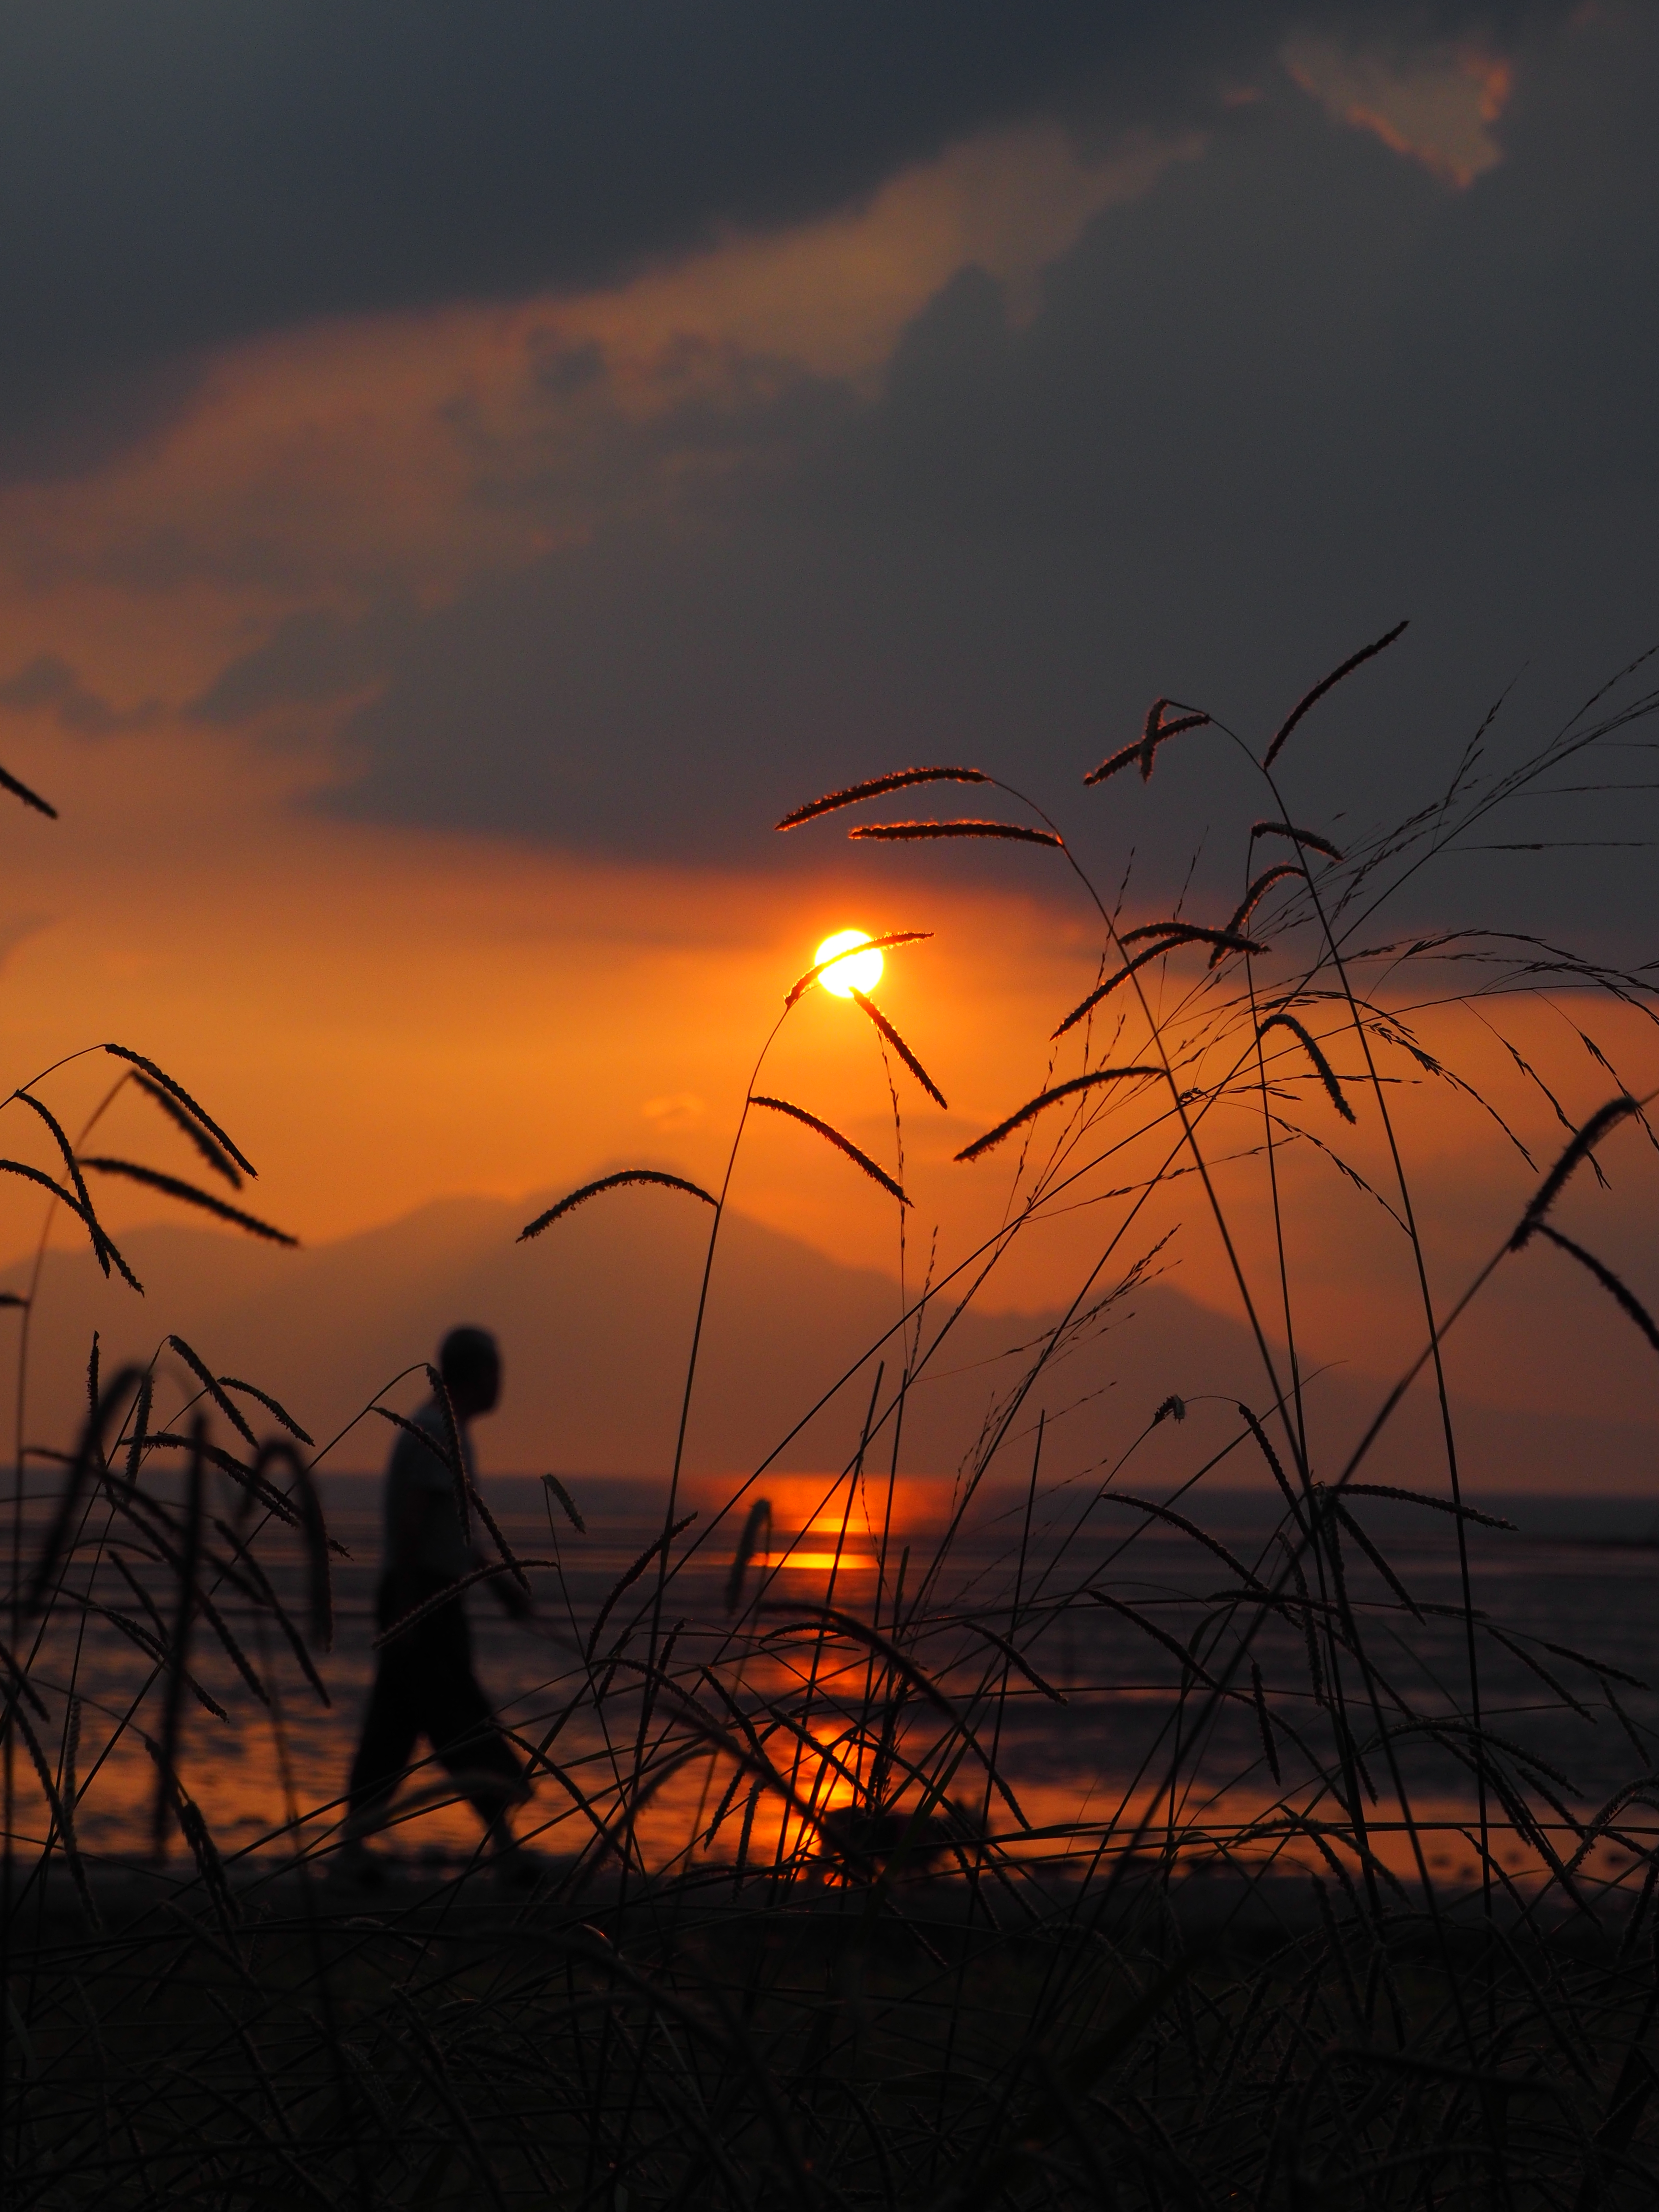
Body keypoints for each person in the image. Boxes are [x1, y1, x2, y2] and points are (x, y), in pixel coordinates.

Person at [340, 1325, 533, 1883]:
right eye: (497, 1372)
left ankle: (355, 1847)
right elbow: (411, 1526)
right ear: (477, 1375)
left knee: (400, 1723)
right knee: (456, 1718)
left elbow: (453, 1534)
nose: (503, 1384)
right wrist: (407, 1609)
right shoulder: (433, 1431)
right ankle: (506, 1849)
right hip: (422, 1597)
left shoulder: (447, 1430)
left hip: (430, 1594)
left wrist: (499, 1587)